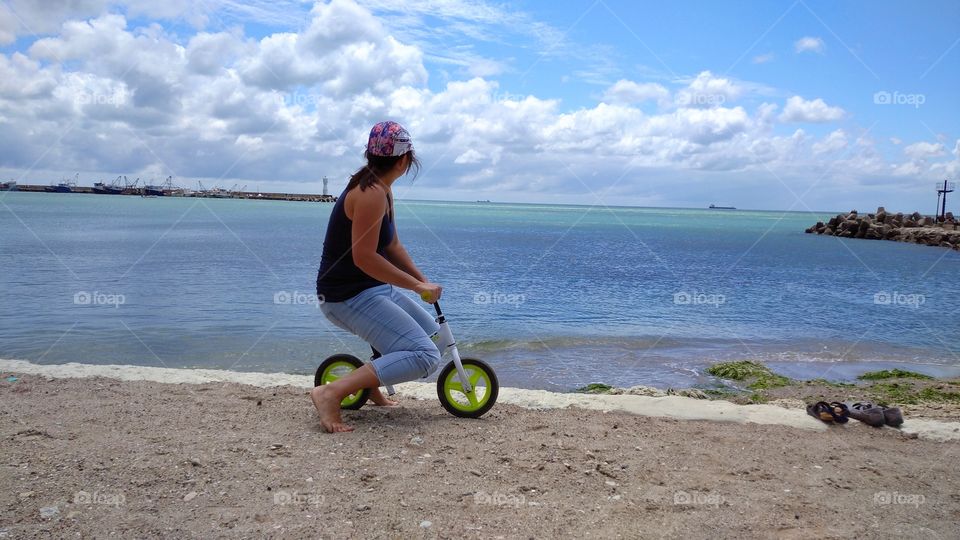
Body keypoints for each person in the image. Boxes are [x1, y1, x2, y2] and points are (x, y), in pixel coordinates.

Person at [311, 121, 443, 433]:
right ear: (404, 160)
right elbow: (365, 258)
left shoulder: (380, 188)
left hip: (371, 288)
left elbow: (391, 245)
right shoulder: (369, 193)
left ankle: (370, 385)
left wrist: (422, 281)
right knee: (425, 356)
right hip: (345, 296)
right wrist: (414, 286)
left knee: (430, 331)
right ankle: (330, 392)